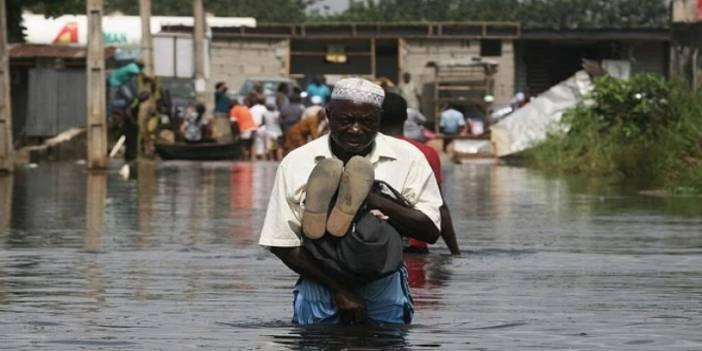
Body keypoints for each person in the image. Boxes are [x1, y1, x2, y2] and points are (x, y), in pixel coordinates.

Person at [259, 77, 443, 325]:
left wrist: (373, 199)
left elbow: (430, 231)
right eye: (346, 121)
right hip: (321, 278)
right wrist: (338, 289)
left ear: (379, 119)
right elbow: (281, 242)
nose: (356, 129)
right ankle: (332, 211)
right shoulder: (298, 161)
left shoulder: (408, 158)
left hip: (382, 277)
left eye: (366, 122)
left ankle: (360, 200)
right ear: (328, 115)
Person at [380, 92, 461, 255]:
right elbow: (439, 205)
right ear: (405, 117)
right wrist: (455, 251)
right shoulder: (426, 152)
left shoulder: (363, 149)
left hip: (375, 244)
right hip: (415, 248)